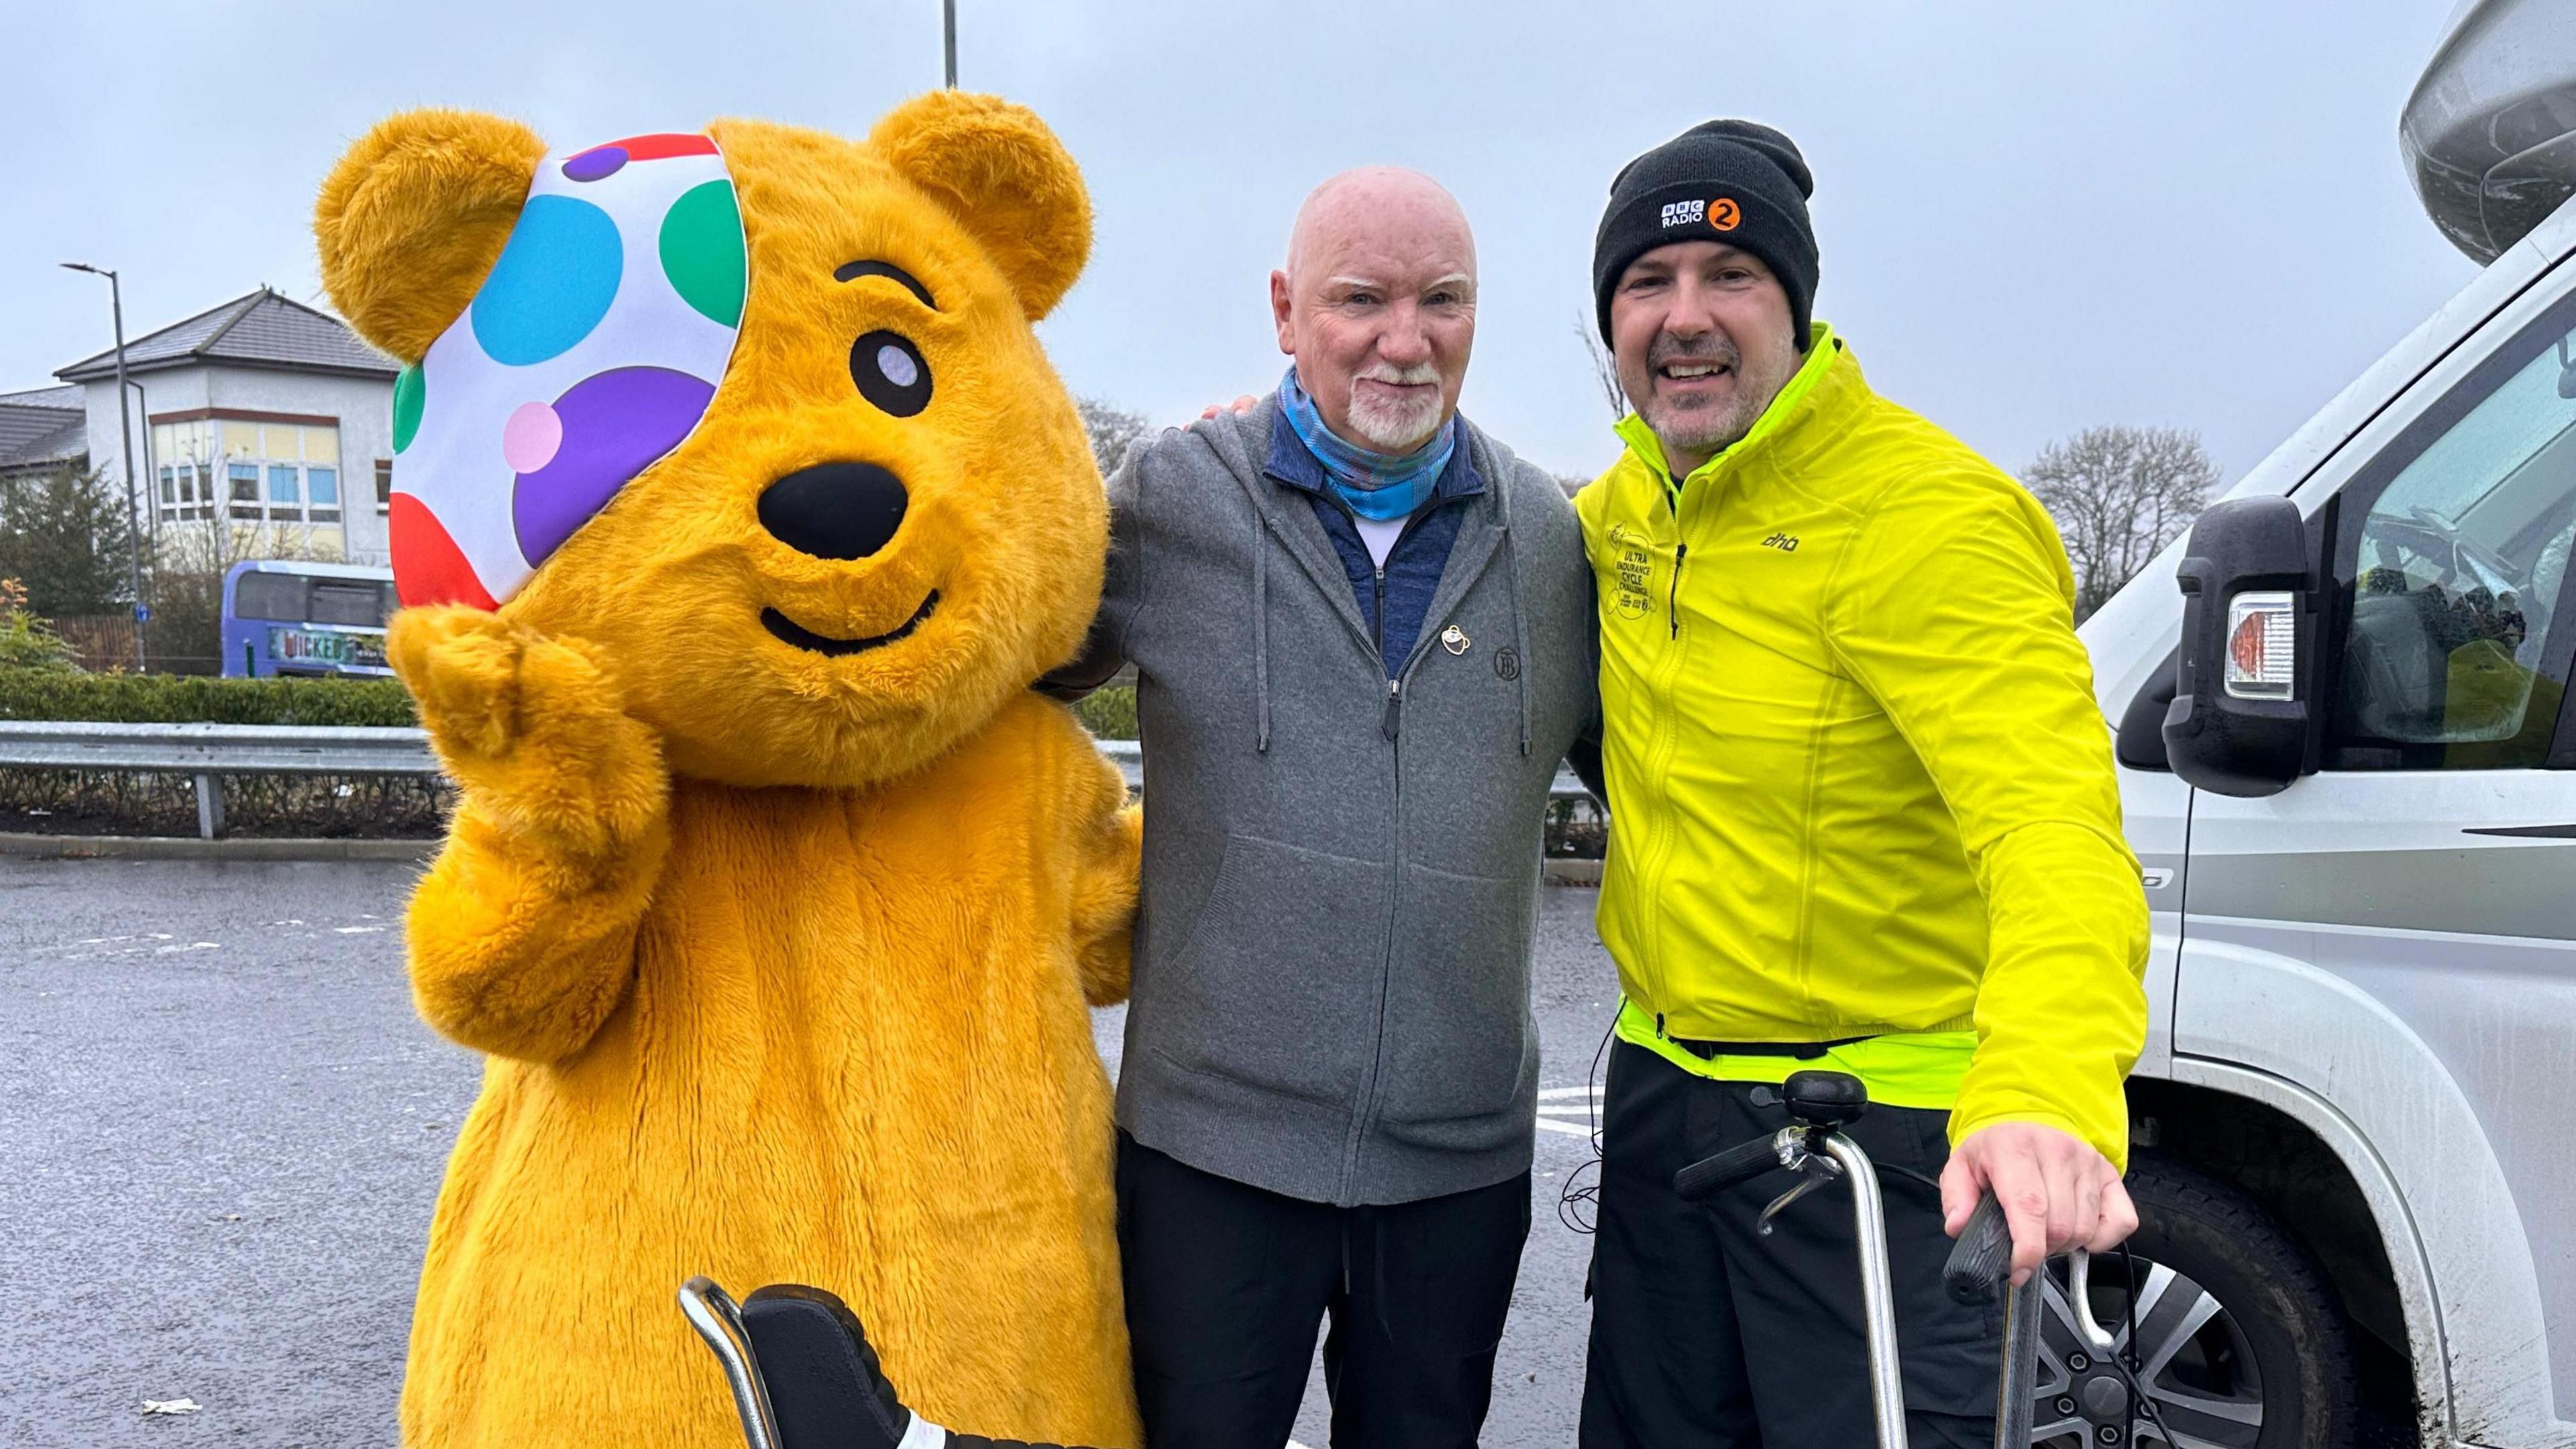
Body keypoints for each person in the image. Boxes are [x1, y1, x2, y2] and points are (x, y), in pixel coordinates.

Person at [1570, 119, 2151, 1448]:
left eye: (1733, 280)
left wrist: (2048, 1090)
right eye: (1646, 286)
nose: (1686, 318)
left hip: (1876, 1140)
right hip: (1665, 1116)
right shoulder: (1617, 518)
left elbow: (2053, 828)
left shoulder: (1931, 516)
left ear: (1800, 307)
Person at [1044, 168, 1596, 1448]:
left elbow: (1669, 778)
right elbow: (983, 668)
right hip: (1210, 1163)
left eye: (1442, 301)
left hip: (1459, 1171)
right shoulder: (1172, 501)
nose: (1406, 340)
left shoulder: (1553, 542)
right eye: (1364, 300)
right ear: (1289, 313)